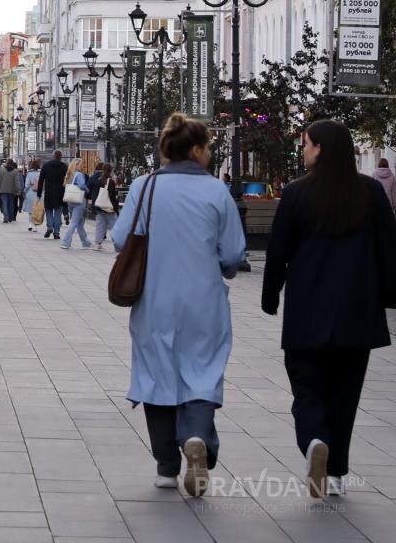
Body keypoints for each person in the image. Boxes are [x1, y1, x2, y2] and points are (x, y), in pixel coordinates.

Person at [112, 113, 245, 497]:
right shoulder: (217, 192)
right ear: (199, 150)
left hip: (154, 299)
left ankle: (167, 468)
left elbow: (123, 239)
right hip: (204, 300)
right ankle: (197, 435)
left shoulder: (145, 186)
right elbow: (234, 253)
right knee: (202, 372)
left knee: (156, 377)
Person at [263, 120, 395, 498]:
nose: (302, 150)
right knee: (345, 394)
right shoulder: (370, 192)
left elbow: (278, 252)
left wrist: (270, 296)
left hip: (308, 311)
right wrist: (388, 295)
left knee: (307, 387)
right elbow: (389, 249)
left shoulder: (296, 194)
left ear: (320, 148)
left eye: (305, 144)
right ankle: (335, 472)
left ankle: (314, 440)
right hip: (357, 312)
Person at [59, 159, 91, 250]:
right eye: (81, 164)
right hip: (79, 201)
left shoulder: (69, 174)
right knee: (74, 222)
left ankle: (85, 242)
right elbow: (82, 185)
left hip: (70, 201)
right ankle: (66, 242)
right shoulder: (79, 174)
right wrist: (88, 190)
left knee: (79, 223)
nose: (82, 166)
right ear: (76, 165)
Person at [88, 161, 120, 252]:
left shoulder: (98, 180)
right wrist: (115, 207)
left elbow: (92, 193)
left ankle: (97, 244)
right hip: (108, 207)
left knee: (100, 226)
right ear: (110, 171)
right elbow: (112, 196)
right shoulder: (111, 182)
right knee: (114, 226)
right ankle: (117, 244)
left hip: (99, 206)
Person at [38, 150, 67, 240]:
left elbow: (41, 180)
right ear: (61, 157)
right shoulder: (64, 167)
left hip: (49, 192)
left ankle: (50, 226)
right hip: (60, 192)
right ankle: (56, 233)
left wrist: (39, 193)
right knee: (58, 213)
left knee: (49, 210)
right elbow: (68, 180)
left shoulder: (46, 166)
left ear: (53, 156)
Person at [0, 158, 20, 223]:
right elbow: (17, 181)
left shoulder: (2, 170)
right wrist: (18, 190)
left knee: (4, 203)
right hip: (12, 190)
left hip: (3, 190)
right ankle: (10, 217)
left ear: (6, 163)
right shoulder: (15, 171)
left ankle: (6, 217)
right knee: (11, 204)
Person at [24, 159, 42, 233]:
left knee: (30, 210)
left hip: (30, 192)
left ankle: (30, 225)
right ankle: (35, 227)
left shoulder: (29, 173)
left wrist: (25, 191)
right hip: (39, 194)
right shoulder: (41, 173)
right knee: (37, 210)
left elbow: (27, 184)